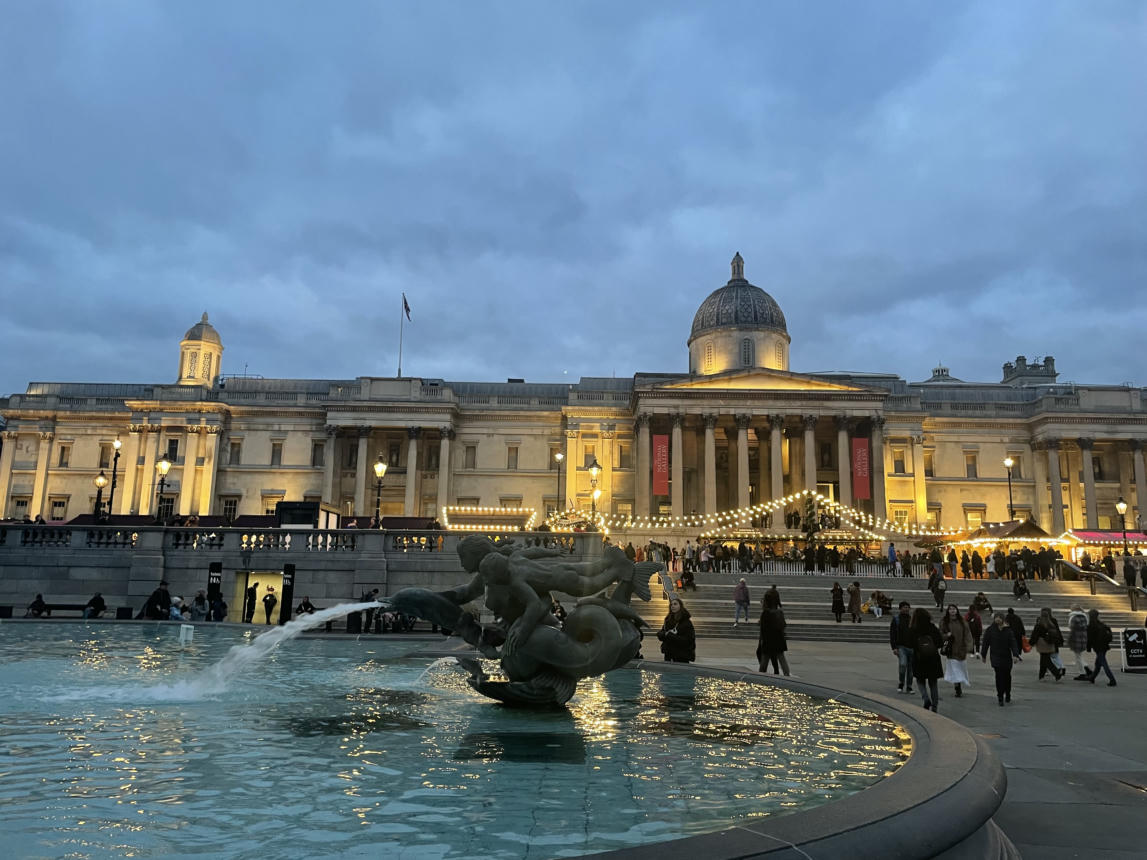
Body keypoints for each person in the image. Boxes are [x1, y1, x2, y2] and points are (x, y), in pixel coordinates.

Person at [981, 613, 1021, 705]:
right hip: (995, 656)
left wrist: (1015, 655)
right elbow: (985, 643)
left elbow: (1013, 643)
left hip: (1006, 657)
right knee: (998, 676)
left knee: (1007, 676)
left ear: (1003, 619)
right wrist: (983, 654)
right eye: (996, 618)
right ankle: (1000, 696)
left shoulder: (1008, 631)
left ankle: (1008, 693)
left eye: (1000, 618)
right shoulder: (990, 630)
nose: (998, 620)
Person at [910, 607, 944, 712]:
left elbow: (910, 643)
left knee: (920, 681)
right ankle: (935, 706)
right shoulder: (932, 627)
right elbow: (940, 642)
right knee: (933, 683)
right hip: (933, 658)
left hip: (919, 658)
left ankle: (925, 698)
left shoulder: (913, 629)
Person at [940, 604, 972, 698]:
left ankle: (958, 684)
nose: (952, 611)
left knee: (961, 668)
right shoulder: (944, 622)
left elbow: (967, 634)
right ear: (948, 611)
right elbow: (940, 634)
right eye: (950, 609)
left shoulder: (962, 621)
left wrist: (969, 646)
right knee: (955, 669)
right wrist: (946, 635)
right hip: (951, 650)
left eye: (954, 609)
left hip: (961, 649)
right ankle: (957, 687)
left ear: (957, 610)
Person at [756, 596, 790, 675]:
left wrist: (762, 641)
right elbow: (784, 625)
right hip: (779, 639)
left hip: (768, 640)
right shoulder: (779, 612)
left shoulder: (765, 613)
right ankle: (787, 676)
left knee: (764, 662)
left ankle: (761, 678)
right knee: (782, 659)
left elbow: (764, 629)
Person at [657, 596, 695, 663]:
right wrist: (661, 634)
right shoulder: (668, 620)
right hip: (668, 654)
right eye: (671, 604)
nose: (672, 606)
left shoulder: (686, 622)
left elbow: (689, 640)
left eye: (675, 604)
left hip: (681, 655)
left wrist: (670, 635)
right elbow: (663, 631)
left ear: (680, 606)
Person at [1030, 607, 1065, 681]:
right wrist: (1059, 641)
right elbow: (1057, 632)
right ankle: (1041, 676)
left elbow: (1035, 635)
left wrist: (1031, 643)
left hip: (1042, 645)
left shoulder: (1039, 624)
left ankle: (1057, 674)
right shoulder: (1052, 623)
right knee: (1043, 660)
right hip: (1050, 644)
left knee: (1046, 660)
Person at [1086, 608, 1117, 686]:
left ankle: (1112, 679)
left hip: (1097, 647)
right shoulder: (1101, 624)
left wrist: (1088, 648)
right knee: (1098, 663)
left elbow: (1089, 638)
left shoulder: (1091, 626)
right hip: (1104, 646)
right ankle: (1092, 677)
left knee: (1103, 663)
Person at [890, 601, 914, 694]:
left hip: (912, 647)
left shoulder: (912, 619)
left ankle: (909, 686)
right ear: (900, 608)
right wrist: (894, 647)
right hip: (901, 647)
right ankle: (901, 683)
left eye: (907, 607)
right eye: (904, 607)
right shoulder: (896, 619)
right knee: (903, 665)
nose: (906, 609)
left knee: (911, 668)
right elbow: (892, 634)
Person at [1066, 604, 1090, 679]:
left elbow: (1071, 628)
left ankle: (1082, 672)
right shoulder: (1084, 616)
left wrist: (1069, 640)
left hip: (1076, 638)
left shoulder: (1073, 617)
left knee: (1077, 657)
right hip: (1083, 638)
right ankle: (1086, 668)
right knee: (1079, 655)